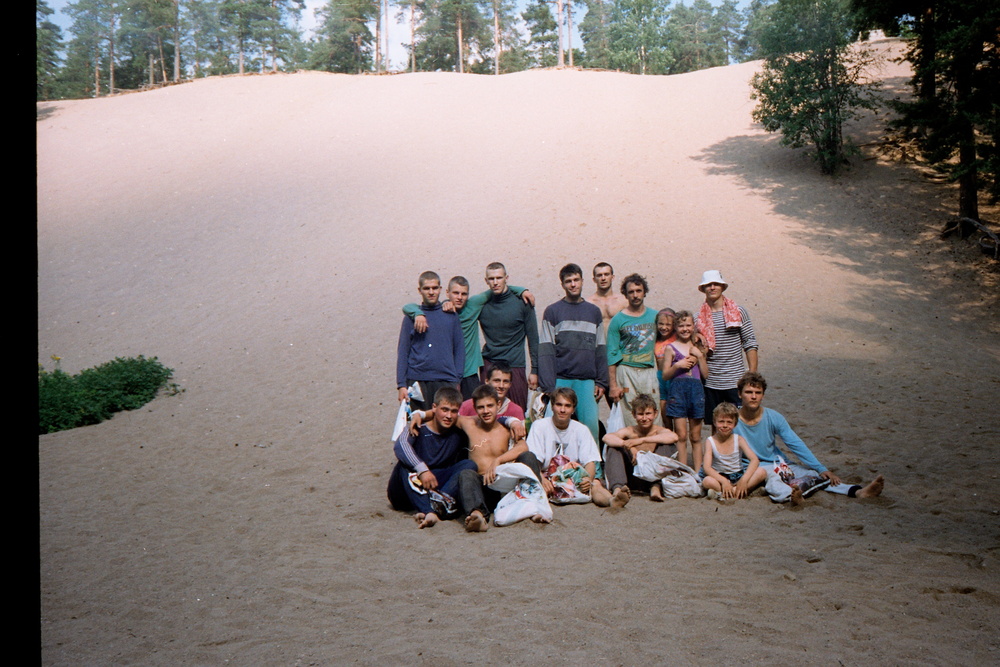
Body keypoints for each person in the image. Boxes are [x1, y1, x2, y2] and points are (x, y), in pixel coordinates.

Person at [733, 372, 885, 504]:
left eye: (758, 392)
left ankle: (858, 492)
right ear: (740, 394)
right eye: (749, 392)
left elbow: (795, 443)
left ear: (763, 395)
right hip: (753, 468)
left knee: (815, 475)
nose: (753, 396)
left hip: (777, 463)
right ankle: (791, 497)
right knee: (774, 482)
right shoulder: (731, 419)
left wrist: (821, 468)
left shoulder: (773, 417)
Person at [410, 384, 546, 529]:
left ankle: (535, 506)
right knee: (466, 473)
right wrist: (421, 414)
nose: (486, 411)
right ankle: (477, 514)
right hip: (479, 487)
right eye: (481, 407)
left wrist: (498, 460)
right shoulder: (469, 423)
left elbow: (523, 447)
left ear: (498, 405)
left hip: (503, 485)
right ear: (474, 407)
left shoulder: (506, 428)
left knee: (528, 456)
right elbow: (444, 412)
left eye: (490, 406)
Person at [402, 276, 534, 400]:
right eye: (455, 293)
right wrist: (418, 313)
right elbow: (409, 307)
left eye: (464, 294)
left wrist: (522, 291)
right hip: (447, 375)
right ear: (447, 292)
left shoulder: (474, 304)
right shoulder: (441, 312)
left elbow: (497, 287)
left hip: (469, 374)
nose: (459, 297)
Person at [387, 387, 480, 529]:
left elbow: (487, 420)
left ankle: (438, 506)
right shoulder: (417, 426)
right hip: (407, 490)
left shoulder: (458, 431)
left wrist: (511, 421)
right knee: (403, 465)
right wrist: (422, 470)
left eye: (454, 411)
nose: (449, 416)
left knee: (469, 465)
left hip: (436, 486)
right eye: (445, 409)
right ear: (434, 408)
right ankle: (428, 510)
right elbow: (400, 446)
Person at [538, 263, 609, 443]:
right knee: (550, 428)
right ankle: (550, 469)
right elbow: (546, 350)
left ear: (583, 281)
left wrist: (601, 380)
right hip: (561, 380)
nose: (573, 284)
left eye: (576, 280)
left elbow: (600, 348)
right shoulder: (552, 311)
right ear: (562, 284)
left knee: (590, 428)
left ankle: (595, 470)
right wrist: (548, 386)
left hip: (586, 381)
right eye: (568, 281)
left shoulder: (593, 312)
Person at [527, 387, 623, 508]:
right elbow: (532, 461)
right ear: (552, 406)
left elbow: (589, 462)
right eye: (559, 405)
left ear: (573, 409)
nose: (562, 410)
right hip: (544, 475)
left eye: (567, 406)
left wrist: (588, 479)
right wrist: (541, 479)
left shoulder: (581, 429)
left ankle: (612, 501)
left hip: (572, 477)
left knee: (595, 484)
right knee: (535, 489)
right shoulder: (539, 426)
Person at [693, 270, 758, 427]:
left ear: (722, 287)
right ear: (703, 289)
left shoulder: (738, 312)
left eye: (716, 284)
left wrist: (752, 374)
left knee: (739, 424)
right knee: (716, 426)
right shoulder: (697, 318)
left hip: (735, 381)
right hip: (710, 382)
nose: (712, 287)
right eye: (708, 285)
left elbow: (749, 342)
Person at [396, 271, 464, 411]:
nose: (431, 292)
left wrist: (457, 379)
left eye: (434, 288)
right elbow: (403, 351)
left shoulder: (451, 316)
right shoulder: (411, 318)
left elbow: (459, 349)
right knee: (419, 427)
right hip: (417, 381)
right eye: (427, 288)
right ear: (420, 290)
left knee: (446, 427)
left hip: (447, 380)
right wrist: (401, 385)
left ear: (440, 289)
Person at [478, 262, 539, 412]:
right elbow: (459, 306)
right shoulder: (481, 304)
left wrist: (535, 370)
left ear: (507, 278)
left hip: (515, 365)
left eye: (499, 277)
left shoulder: (523, 302)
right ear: (486, 281)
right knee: (486, 412)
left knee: (518, 412)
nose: (495, 282)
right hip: (489, 364)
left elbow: (534, 338)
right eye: (491, 279)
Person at [602, 393, 680, 502]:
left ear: (655, 414)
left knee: (668, 445)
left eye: (648, 414)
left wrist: (641, 440)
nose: (644, 418)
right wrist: (628, 446)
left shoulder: (658, 430)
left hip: (654, 476)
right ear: (634, 414)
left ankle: (656, 487)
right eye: (640, 414)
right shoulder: (630, 431)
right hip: (633, 475)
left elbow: (674, 437)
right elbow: (607, 437)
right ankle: (618, 489)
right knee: (613, 447)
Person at [606, 273, 659, 427]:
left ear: (644, 292)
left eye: (638, 291)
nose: (635, 295)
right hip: (626, 372)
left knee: (652, 415)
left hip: (648, 371)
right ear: (625, 294)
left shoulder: (655, 316)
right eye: (631, 292)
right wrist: (613, 385)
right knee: (629, 417)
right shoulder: (618, 320)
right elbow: (612, 353)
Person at [662, 310, 708, 470]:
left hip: (696, 392)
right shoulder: (671, 348)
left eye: (688, 325)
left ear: (693, 326)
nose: (685, 329)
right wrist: (677, 366)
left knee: (695, 436)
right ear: (675, 327)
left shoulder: (698, 347)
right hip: (677, 393)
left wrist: (700, 357)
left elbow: (705, 374)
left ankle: (697, 471)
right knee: (681, 435)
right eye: (681, 326)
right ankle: (683, 471)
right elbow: (665, 375)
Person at [701, 402, 766, 499]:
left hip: (738, 475)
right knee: (707, 481)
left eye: (729, 422)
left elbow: (754, 460)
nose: (725, 425)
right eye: (721, 421)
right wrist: (723, 481)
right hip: (719, 476)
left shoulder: (738, 439)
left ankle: (726, 493)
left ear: (735, 424)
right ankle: (741, 492)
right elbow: (707, 467)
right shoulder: (710, 441)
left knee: (762, 472)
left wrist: (744, 480)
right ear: (714, 422)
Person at [458, 361, 525, 420]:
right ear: (487, 381)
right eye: (497, 381)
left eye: (505, 381)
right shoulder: (467, 406)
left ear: (510, 384)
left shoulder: (516, 411)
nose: (501, 386)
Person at [653, 308, 677, 428]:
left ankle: (679, 442)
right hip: (661, 378)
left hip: (674, 378)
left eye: (668, 324)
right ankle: (670, 443)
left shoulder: (676, 338)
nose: (664, 327)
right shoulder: (655, 340)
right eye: (661, 324)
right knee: (664, 413)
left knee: (677, 415)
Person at [587, 262, 628, 328]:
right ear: (594, 280)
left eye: (606, 274)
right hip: (597, 338)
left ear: (612, 277)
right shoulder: (589, 304)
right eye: (599, 275)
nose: (603, 278)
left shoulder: (624, 301)